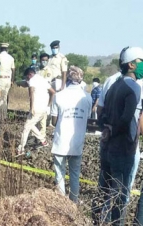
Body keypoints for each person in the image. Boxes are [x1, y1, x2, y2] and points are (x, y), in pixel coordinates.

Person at [93, 47, 143, 225]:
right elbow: (127, 117)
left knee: (106, 191)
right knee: (120, 195)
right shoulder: (133, 87)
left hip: (109, 147)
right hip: (124, 148)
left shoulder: (114, 84)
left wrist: (106, 130)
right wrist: (115, 131)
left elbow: (101, 115)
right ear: (131, 65)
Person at [50, 66, 92, 203]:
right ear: (81, 79)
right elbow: (88, 117)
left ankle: (62, 202)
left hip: (61, 141)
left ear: (68, 78)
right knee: (75, 173)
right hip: (77, 142)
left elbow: (54, 121)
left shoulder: (59, 96)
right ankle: (74, 201)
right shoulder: (87, 97)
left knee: (60, 173)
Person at [17, 68, 55, 154]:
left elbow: (31, 95)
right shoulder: (43, 79)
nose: (27, 79)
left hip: (36, 108)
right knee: (30, 125)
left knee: (26, 128)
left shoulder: (32, 80)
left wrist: (32, 108)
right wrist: (49, 105)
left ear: (29, 75)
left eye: (27, 77)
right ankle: (43, 141)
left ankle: (21, 149)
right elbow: (53, 92)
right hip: (43, 109)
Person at [0, 43, 15, 120]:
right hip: (8, 80)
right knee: (5, 97)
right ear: (7, 49)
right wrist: (12, 80)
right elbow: (13, 69)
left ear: (1, 49)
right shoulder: (11, 58)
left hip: (0, 79)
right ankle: (4, 116)